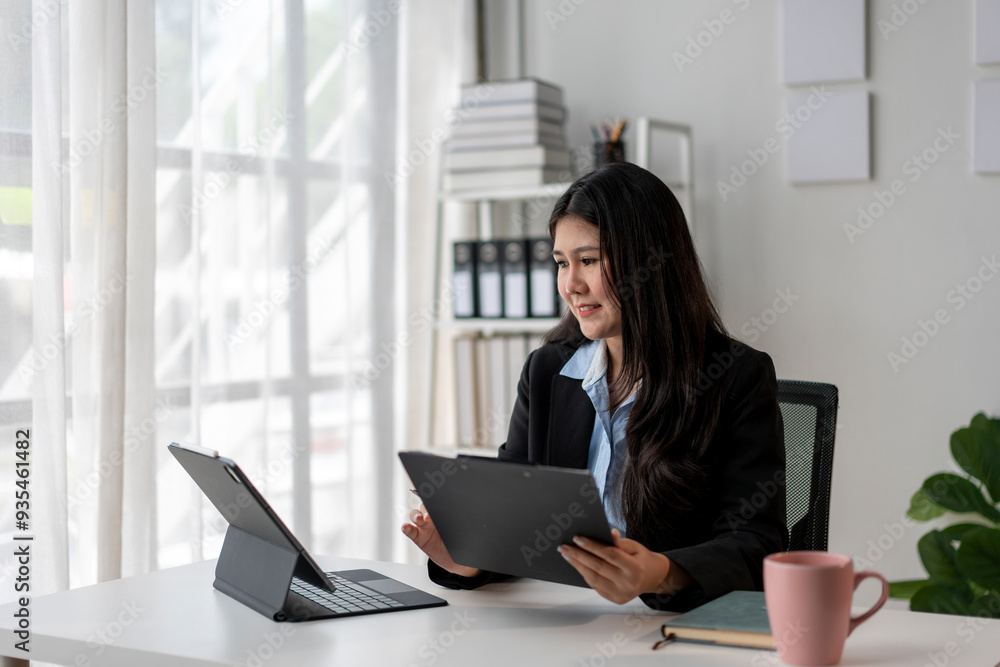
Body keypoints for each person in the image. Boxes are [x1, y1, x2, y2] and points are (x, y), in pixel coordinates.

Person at [402, 162, 786, 612]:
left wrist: (660, 573)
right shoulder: (548, 372)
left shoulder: (735, 376)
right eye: (562, 263)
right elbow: (517, 520)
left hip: (668, 632)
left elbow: (757, 545)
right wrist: (468, 557)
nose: (571, 284)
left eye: (588, 260)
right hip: (565, 623)